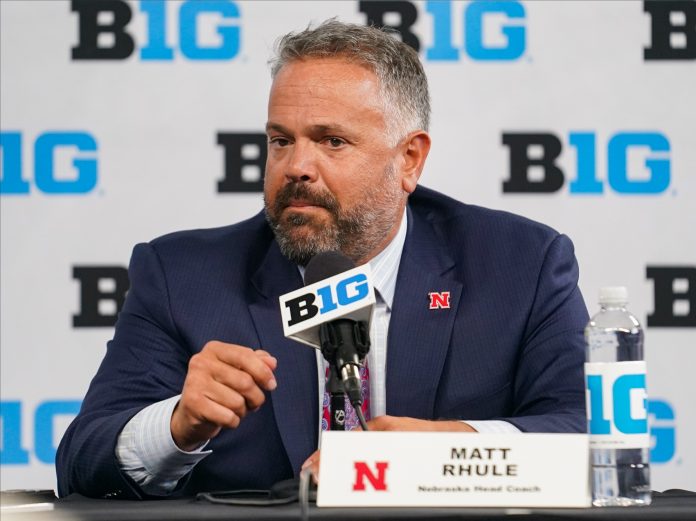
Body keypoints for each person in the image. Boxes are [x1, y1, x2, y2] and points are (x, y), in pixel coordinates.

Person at [56, 20, 588, 499]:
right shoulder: (183, 276)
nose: (296, 167)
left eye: (332, 141)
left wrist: (448, 452)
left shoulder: (520, 264)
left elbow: (591, 439)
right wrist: (175, 426)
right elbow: (83, 459)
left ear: (410, 159)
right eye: (280, 141)